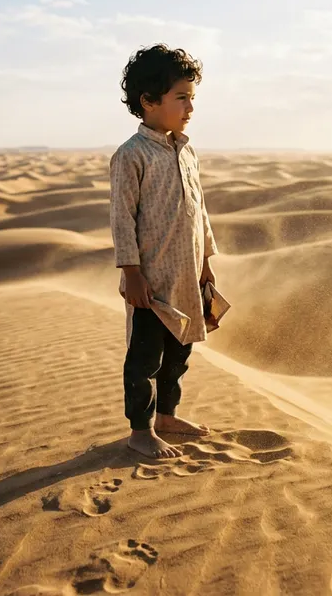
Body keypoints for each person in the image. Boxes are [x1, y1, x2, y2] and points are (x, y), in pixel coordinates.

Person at [109, 44, 227, 460]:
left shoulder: (187, 151)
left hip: (187, 276)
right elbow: (122, 218)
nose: (190, 107)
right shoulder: (131, 155)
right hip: (151, 283)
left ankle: (167, 416)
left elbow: (200, 210)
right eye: (181, 98)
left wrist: (206, 262)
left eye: (192, 98)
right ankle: (140, 431)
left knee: (179, 354)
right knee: (145, 360)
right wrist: (131, 273)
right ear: (148, 101)